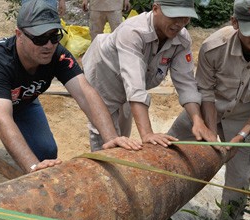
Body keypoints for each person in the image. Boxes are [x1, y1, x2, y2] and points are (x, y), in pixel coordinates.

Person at [0, 0, 142, 174]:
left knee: (46, 151)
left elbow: (85, 92)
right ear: (19, 34)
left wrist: (110, 138)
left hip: (23, 101)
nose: (48, 45)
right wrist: (32, 166)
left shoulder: (57, 55)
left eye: (54, 36)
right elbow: (2, 120)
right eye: (39, 38)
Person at [167, 0, 250, 220]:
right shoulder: (214, 47)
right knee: (170, 152)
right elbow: (206, 92)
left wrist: (242, 136)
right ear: (235, 22)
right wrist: (210, 132)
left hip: (245, 118)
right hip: (207, 110)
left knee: (239, 180)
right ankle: (162, 206)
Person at [82, 0, 217, 152]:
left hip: (130, 80)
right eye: (174, 17)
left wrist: (197, 121)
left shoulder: (182, 39)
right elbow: (135, 87)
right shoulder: (133, 32)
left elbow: (186, 84)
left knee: (124, 125)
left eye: (185, 18)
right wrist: (147, 134)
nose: (179, 23)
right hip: (104, 71)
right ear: (155, 9)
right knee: (106, 135)